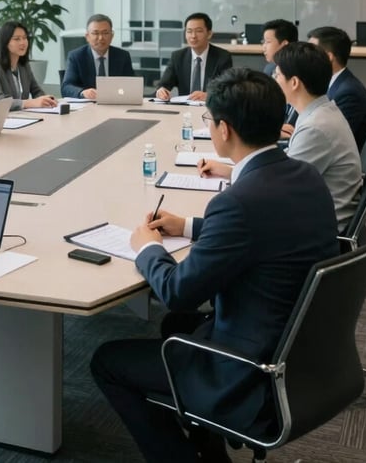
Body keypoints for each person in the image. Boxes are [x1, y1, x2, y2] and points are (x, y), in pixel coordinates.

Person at [91, 68, 338, 463]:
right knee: (176, 330)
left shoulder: (238, 202)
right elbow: (266, 227)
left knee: (107, 361)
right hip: (303, 351)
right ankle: (211, 451)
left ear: (223, 130)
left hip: (248, 365)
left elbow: (177, 292)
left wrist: (146, 248)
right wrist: (188, 225)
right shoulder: (302, 175)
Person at [273, 41, 362, 232]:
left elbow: (280, 188)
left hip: (317, 230)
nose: (275, 80)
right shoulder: (322, 111)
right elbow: (286, 163)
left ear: (294, 82)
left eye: (278, 75)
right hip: (316, 212)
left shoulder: (315, 128)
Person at [308, 25, 366, 151]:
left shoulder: (348, 93)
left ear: (329, 56)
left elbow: (331, 138)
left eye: (312, 51)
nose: (306, 56)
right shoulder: (334, 83)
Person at [0, 20, 57, 111]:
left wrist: (46, 100)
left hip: (15, 116)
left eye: (25, 38)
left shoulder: (23, 66)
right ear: (5, 42)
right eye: (17, 39)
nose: (23, 42)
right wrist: (30, 103)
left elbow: (36, 90)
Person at [155, 12, 232, 101]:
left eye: (198, 31)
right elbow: (164, 84)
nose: (193, 36)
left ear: (209, 34)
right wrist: (161, 91)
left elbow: (228, 91)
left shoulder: (222, 57)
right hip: (185, 110)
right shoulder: (178, 57)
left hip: (211, 109)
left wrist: (209, 95)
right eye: (189, 31)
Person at [61, 14, 134, 100]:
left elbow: (132, 86)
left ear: (112, 36)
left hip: (115, 104)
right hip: (88, 107)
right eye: (95, 33)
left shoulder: (122, 56)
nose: (100, 38)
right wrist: (82, 92)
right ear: (87, 37)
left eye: (105, 33)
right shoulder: (76, 56)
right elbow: (66, 87)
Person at [261, 18, 300, 132]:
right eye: (263, 42)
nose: (263, 47)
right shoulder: (269, 69)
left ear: (284, 45)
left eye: (268, 42)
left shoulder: (299, 73)